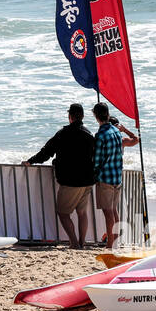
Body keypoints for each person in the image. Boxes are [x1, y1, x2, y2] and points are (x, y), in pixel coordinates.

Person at [23, 103, 96, 249]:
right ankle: (82, 242)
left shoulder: (63, 133)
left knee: (63, 213)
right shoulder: (89, 135)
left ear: (70, 117)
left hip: (70, 181)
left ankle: (74, 243)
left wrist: (31, 161)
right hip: (88, 180)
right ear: (82, 116)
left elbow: (46, 152)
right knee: (82, 213)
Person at [93, 103, 124, 248]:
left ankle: (110, 244)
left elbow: (97, 161)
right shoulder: (116, 132)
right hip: (117, 176)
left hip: (105, 178)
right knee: (114, 210)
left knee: (108, 212)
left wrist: (94, 175)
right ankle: (116, 240)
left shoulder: (101, 135)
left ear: (95, 115)